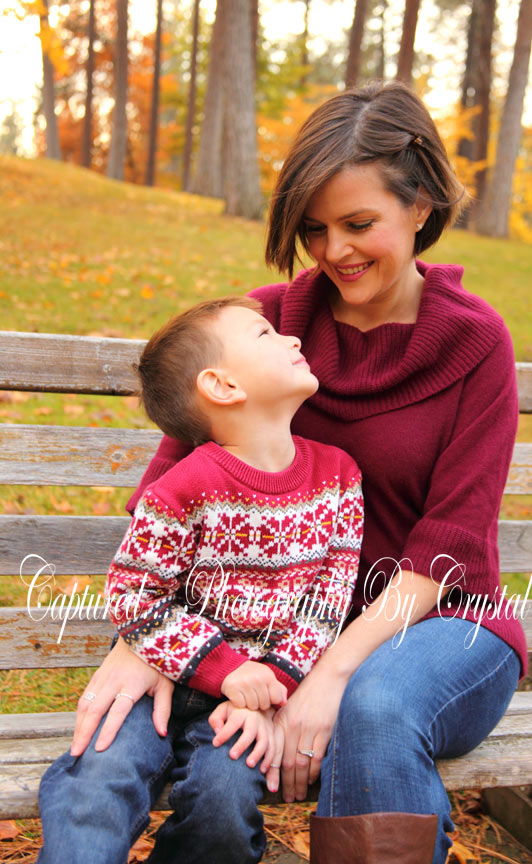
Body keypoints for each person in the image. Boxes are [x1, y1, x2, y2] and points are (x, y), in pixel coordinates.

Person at [63, 79, 530, 864]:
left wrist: (332, 675)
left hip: (443, 624)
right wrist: (142, 641)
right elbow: (169, 491)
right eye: (314, 228)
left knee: (374, 705)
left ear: (421, 205)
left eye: (358, 224)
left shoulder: (475, 343)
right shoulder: (269, 324)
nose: (334, 251)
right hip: (280, 634)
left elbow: (448, 545)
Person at [37, 296, 364, 864]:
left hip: (251, 700)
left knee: (224, 801)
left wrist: (268, 685)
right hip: (159, 678)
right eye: (265, 335)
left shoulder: (337, 477)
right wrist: (224, 668)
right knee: (99, 781)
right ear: (222, 385)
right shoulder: (183, 488)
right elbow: (134, 595)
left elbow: (326, 605)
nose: (291, 339)